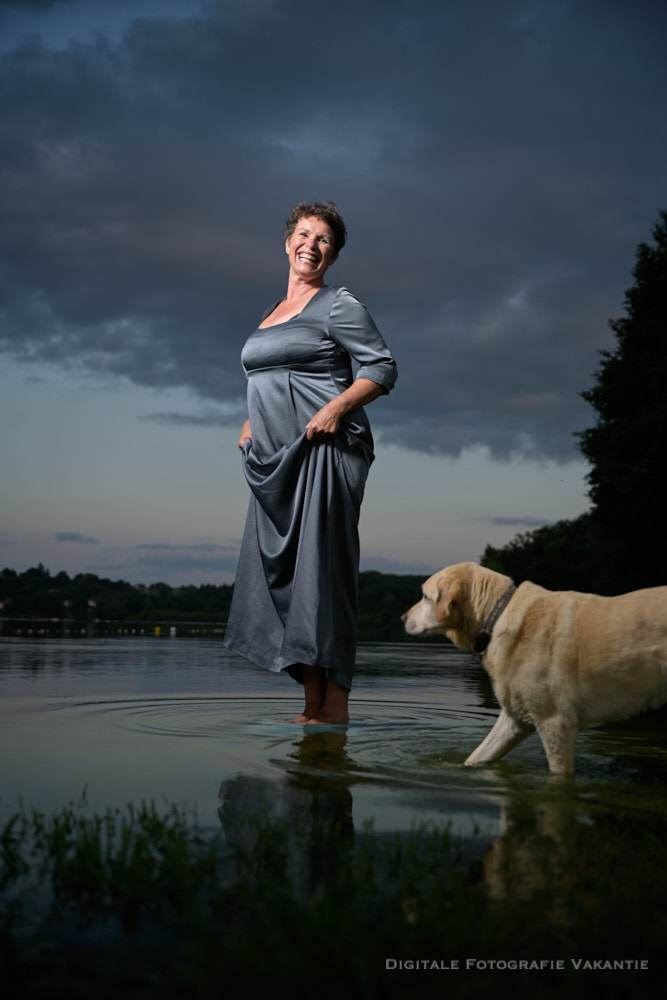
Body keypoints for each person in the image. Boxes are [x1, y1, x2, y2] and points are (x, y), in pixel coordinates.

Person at [223, 201, 397, 725]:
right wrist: (251, 420)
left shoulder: (338, 304)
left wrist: (338, 406)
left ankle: (334, 708)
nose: (311, 245)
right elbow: (267, 375)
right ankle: (310, 710)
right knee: (290, 579)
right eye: (304, 234)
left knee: (324, 577)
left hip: (325, 454)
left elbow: (382, 366)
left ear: (334, 253)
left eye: (323, 239)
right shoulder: (271, 311)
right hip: (275, 461)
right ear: (286, 243)